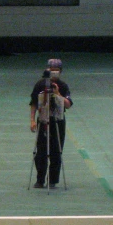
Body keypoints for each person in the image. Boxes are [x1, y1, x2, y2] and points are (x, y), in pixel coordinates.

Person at [29, 58, 73, 189]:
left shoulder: (63, 86)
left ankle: (53, 179)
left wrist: (58, 93)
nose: (54, 73)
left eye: (57, 70)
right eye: (52, 70)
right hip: (43, 119)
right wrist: (32, 120)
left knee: (56, 151)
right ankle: (40, 179)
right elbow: (34, 103)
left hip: (58, 121)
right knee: (41, 151)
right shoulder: (39, 84)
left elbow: (68, 104)